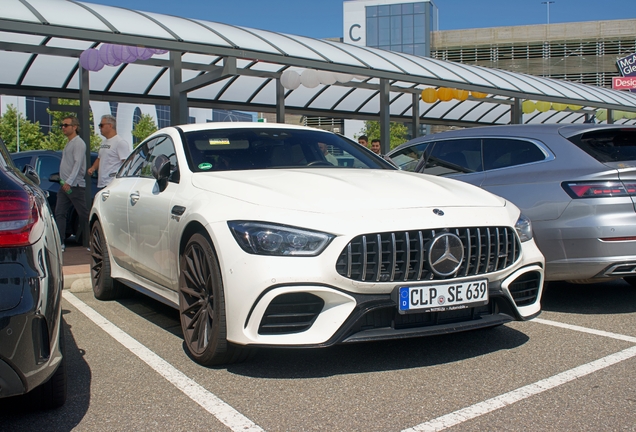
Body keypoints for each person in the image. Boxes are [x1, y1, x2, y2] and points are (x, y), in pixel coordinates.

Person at [56, 116, 90, 252]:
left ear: (74, 127)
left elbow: (77, 163)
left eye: (66, 125)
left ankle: (93, 240)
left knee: (83, 214)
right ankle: (60, 242)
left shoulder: (78, 143)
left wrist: (69, 182)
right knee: (59, 213)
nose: (63, 127)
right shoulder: (69, 143)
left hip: (74, 186)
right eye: (62, 125)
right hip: (65, 186)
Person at [87, 115, 132, 190]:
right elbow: (99, 158)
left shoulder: (120, 142)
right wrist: (93, 168)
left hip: (113, 183)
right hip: (102, 183)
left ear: (110, 125)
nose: (100, 128)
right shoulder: (104, 142)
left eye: (101, 125)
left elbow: (126, 163)